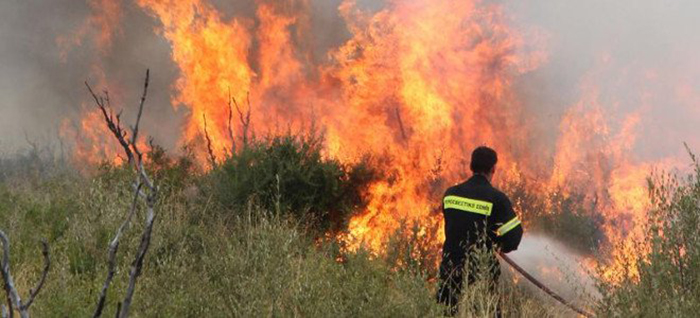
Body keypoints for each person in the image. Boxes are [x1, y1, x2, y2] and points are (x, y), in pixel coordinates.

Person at [436, 146, 523, 315]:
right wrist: (495, 243)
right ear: (493, 169)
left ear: (471, 166)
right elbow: (514, 237)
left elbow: (457, 225)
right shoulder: (497, 199)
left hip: (450, 269)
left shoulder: (450, 194)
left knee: (447, 312)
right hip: (480, 273)